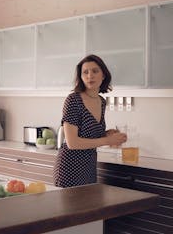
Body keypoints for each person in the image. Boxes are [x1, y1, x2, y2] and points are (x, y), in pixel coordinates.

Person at [53, 55, 127, 188]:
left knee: (89, 207)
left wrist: (107, 134)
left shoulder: (101, 102)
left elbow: (88, 134)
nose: (89, 76)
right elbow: (72, 143)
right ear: (80, 77)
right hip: (69, 168)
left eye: (95, 71)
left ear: (103, 75)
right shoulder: (73, 100)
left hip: (89, 166)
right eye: (85, 72)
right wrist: (107, 141)